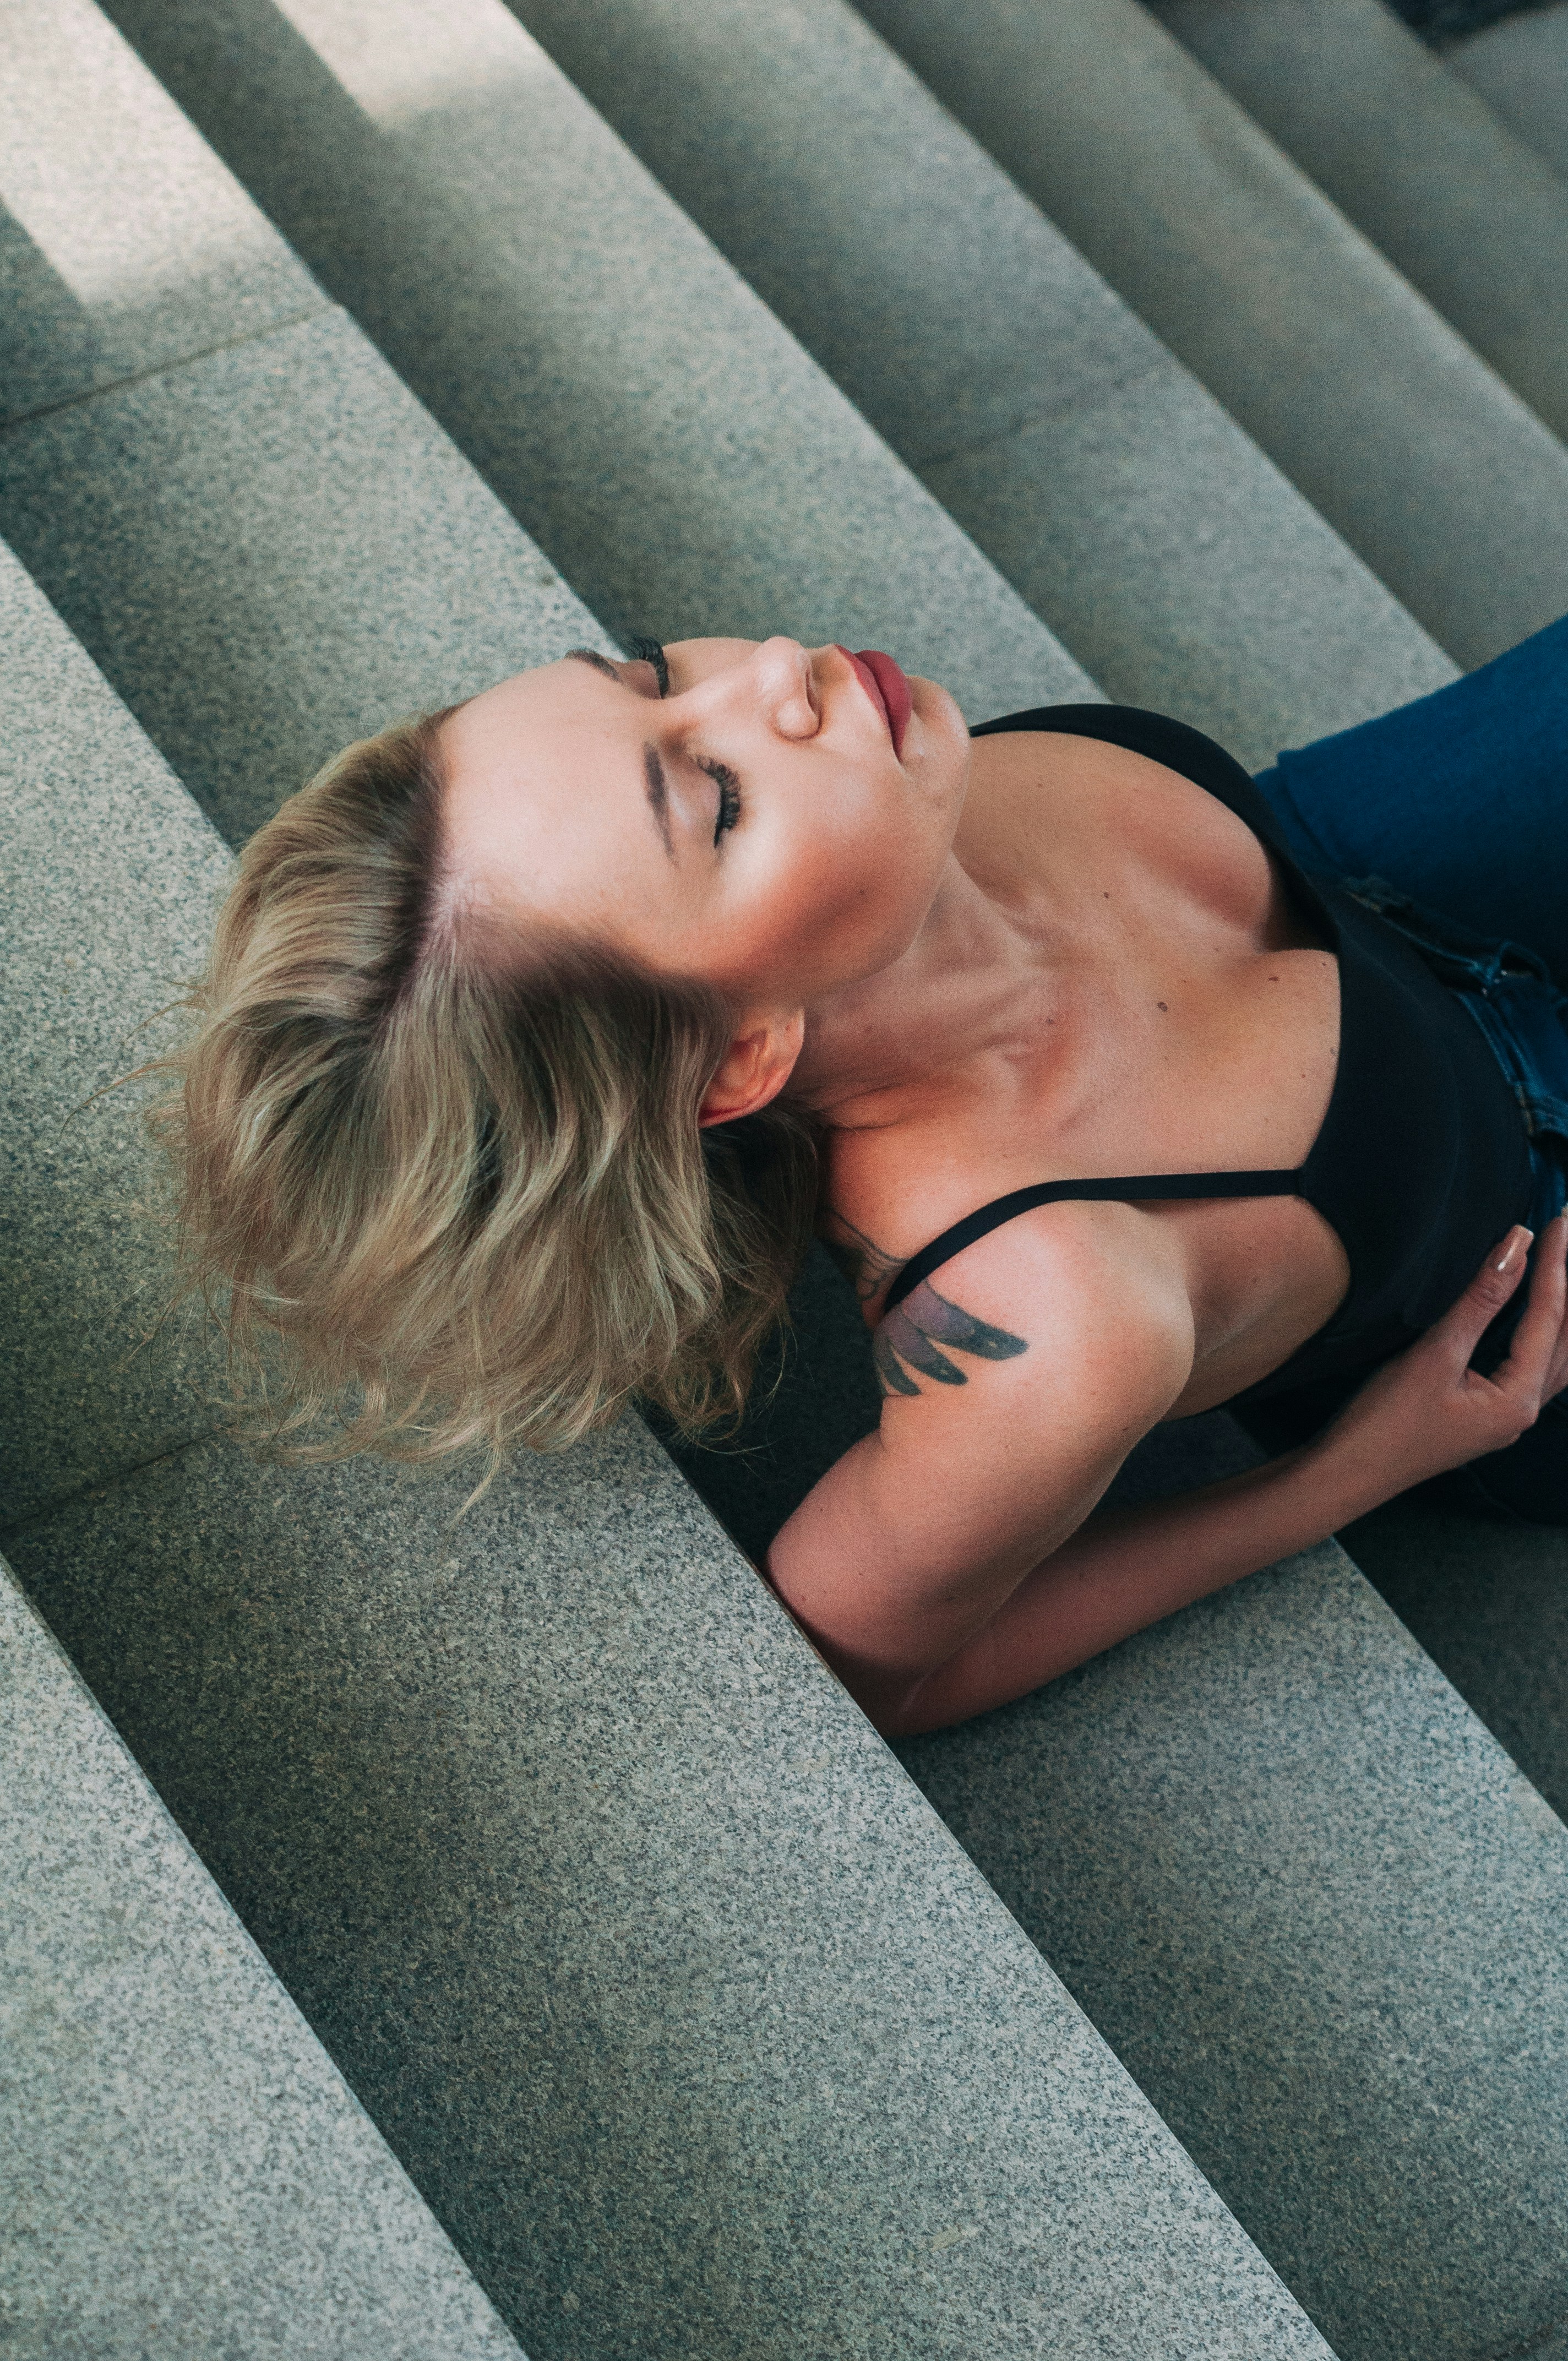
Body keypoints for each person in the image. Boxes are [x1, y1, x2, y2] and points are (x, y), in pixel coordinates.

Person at [166, 621, 1568, 1737]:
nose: (770, 674)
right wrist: (1350, 1475)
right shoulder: (1047, 1310)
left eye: (649, 672)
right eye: (714, 801)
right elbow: (867, 1670)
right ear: (736, 1062)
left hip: (1376, 903)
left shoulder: (900, 796)